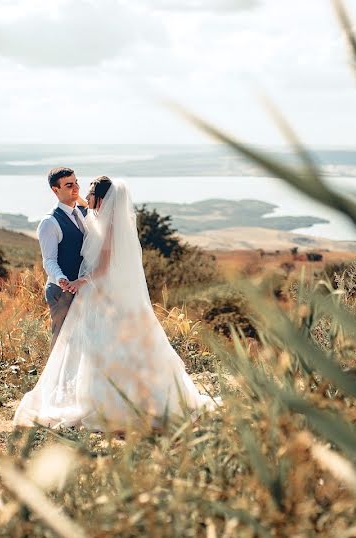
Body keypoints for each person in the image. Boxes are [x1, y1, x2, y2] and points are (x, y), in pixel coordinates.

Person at [14, 177, 218, 430]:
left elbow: (104, 267)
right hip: (96, 293)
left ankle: (109, 402)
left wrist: (80, 282)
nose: (83, 197)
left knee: (99, 344)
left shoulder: (108, 225)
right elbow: (81, 206)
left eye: (88, 193)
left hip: (97, 290)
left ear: (101, 199)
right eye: (74, 186)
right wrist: (77, 196)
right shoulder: (93, 216)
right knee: (93, 346)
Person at [37, 167, 91, 350]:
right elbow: (49, 260)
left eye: (76, 183)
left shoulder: (83, 212)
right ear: (55, 190)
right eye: (69, 185)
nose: (75, 188)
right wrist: (61, 278)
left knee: (83, 342)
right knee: (62, 342)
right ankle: (56, 379)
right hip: (62, 291)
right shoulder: (49, 222)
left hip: (83, 288)